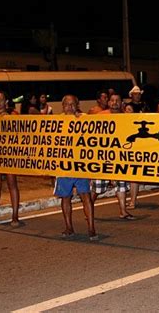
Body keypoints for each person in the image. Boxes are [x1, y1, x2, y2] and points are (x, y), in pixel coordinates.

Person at [54, 94, 97, 240]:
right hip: (64, 166)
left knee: (86, 196)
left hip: (80, 165)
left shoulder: (84, 119)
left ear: (77, 105)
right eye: (67, 104)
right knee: (65, 197)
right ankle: (68, 227)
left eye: (73, 104)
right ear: (63, 106)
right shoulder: (57, 121)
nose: (70, 107)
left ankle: (91, 228)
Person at [92, 94, 134, 220]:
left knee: (122, 184)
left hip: (120, 157)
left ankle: (123, 211)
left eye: (117, 100)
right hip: (103, 157)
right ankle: (88, 207)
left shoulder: (127, 118)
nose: (114, 102)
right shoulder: (100, 116)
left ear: (122, 103)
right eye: (112, 100)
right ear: (108, 102)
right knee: (97, 186)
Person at [0, 91, 21, 226]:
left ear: (6, 102)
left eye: (1, 100)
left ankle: (15, 216)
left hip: (10, 154)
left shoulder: (13, 115)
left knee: (12, 183)